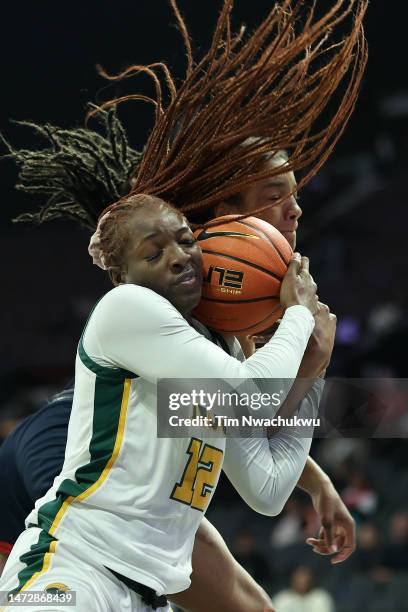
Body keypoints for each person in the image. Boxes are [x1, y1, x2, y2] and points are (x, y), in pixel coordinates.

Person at [0, 0, 367, 607]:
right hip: (72, 489)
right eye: (276, 196)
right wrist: (298, 332)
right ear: (226, 220)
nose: (296, 212)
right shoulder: (142, 306)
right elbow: (239, 399)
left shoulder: (227, 338)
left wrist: (311, 376)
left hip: (137, 569)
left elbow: (264, 484)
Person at [1, 189, 326, 611]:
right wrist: (299, 315)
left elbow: (268, 489)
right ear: (122, 275)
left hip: (149, 596)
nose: (178, 256)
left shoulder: (212, 353)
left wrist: (313, 375)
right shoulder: (124, 307)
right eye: (154, 254)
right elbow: (249, 386)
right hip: (71, 571)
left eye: (186, 240)